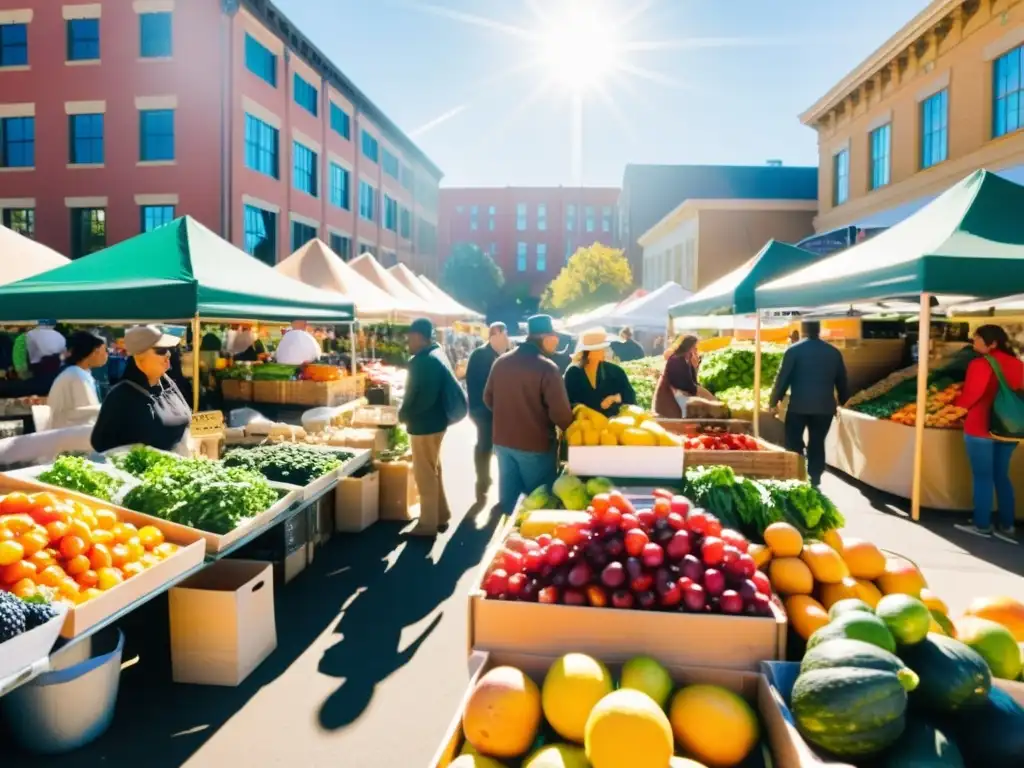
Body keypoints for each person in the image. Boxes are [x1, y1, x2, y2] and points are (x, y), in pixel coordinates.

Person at [484, 314, 574, 513]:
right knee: (538, 506)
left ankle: (504, 542)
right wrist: (574, 430)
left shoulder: (501, 362)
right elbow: (561, 414)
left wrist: (510, 414)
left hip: (503, 442)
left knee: (509, 504)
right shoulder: (547, 368)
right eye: (555, 335)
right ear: (545, 337)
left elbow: (488, 399)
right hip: (535, 445)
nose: (557, 340)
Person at [954, 325, 1023, 542]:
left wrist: (955, 408)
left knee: (982, 477)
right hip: (1011, 428)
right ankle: (1007, 525)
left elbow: (971, 396)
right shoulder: (1018, 364)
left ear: (992, 343)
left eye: (977, 340)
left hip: (980, 427)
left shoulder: (980, 364)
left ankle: (982, 525)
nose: (974, 343)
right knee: (1001, 476)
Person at [398, 318, 462, 537]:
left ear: (419, 337)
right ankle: (440, 515)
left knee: (424, 474)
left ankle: (427, 526)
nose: (408, 342)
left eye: (410, 338)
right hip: (437, 423)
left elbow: (421, 398)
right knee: (434, 469)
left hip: (424, 424)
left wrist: (403, 414)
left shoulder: (422, 361)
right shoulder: (438, 354)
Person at [770, 321, 850, 489]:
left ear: (803, 330)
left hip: (798, 405)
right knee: (817, 441)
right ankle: (815, 477)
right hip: (824, 407)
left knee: (793, 440)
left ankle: (797, 474)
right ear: (819, 330)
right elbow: (842, 381)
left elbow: (782, 378)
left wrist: (774, 400)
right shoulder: (834, 352)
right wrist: (844, 401)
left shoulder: (793, 351)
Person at [91, 326, 192, 454]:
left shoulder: (167, 384)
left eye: (168, 349)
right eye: (161, 350)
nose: (168, 354)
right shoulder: (121, 397)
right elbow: (100, 444)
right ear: (139, 357)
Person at [465, 322, 509, 496]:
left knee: (490, 443)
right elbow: (480, 384)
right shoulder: (481, 354)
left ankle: (486, 479)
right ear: (496, 333)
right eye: (505, 334)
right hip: (481, 408)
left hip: (492, 409)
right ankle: (482, 479)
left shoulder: (499, 354)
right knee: (485, 443)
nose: (507, 338)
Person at [564, 327, 636, 417]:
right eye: (599, 349)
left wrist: (615, 398)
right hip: (584, 425)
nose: (604, 351)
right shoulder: (573, 373)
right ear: (588, 353)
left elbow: (630, 398)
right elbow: (567, 403)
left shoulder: (615, 371)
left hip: (613, 425)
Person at [47, 332, 108, 430]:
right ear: (92, 352)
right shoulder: (77, 376)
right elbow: (86, 411)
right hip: (71, 433)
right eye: (103, 351)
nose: (106, 355)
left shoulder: (77, 373)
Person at [654, 335, 715, 418]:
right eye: (694, 347)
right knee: (701, 405)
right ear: (688, 347)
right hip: (670, 397)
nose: (696, 349)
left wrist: (695, 366)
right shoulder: (676, 360)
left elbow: (693, 382)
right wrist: (708, 397)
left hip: (681, 395)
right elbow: (684, 385)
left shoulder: (687, 359)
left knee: (704, 403)